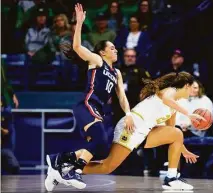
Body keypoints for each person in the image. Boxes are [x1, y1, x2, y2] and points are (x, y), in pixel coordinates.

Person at [48, 72, 204, 190]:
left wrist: (182, 150)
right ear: (187, 85)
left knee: (176, 133)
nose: (192, 91)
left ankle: (171, 178)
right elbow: (166, 99)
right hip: (132, 126)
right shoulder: (170, 91)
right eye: (192, 87)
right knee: (107, 167)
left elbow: (171, 131)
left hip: (143, 132)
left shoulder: (174, 107)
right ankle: (66, 167)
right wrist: (189, 114)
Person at [44, 3, 134, 191]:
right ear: (102, 52)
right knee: (100, 139)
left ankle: (57, 160)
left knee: (102, 148)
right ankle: (73, 171)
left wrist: (129, 114)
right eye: (112, 48)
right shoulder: (97, 60)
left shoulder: (117, 72)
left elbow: (122, 97)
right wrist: (79, 23)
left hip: (98, 108)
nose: (116, 50)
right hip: (87, 104)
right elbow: (76, 46)